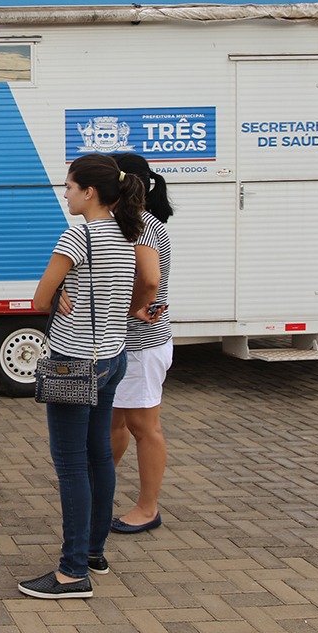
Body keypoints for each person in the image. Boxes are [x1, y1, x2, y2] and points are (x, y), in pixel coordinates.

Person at [19, 153, 145, 600]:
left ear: (89, 192)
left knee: (72, 466)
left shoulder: (78, 235)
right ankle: (93, 553)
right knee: (98, 458)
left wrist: (58, 291)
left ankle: (72, 574)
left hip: (74, 360)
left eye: (69, 187)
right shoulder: (126, 233)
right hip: (112, 356)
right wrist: (66, 289)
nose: (66, 194)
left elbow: (39, 300)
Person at [110, 152, 174, 534]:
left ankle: (148, 509)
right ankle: (99, 489)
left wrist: (131, 310)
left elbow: (149, 281)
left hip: (142, 345)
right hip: (126, 344)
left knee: (143, 427)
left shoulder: (142, 225)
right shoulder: (127, 223)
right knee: (115, 423)